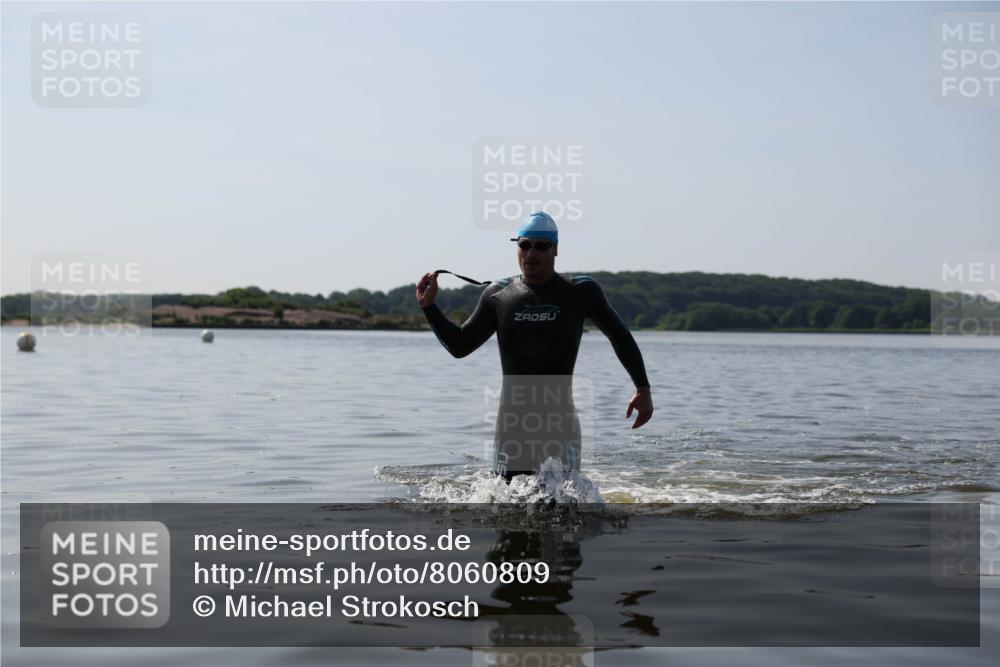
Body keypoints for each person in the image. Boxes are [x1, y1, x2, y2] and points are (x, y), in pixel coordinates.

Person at [416, 212, 653, 480]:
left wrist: (642, 388)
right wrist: (429, 307)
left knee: (563, 501)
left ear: (555, 250)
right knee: (503, 501)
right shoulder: (498, 295)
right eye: (525, 245)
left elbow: (620, 336)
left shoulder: (581, 291)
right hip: (511, 427)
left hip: (560, 424)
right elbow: (459, 346)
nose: (531, 253)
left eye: (542, 246)